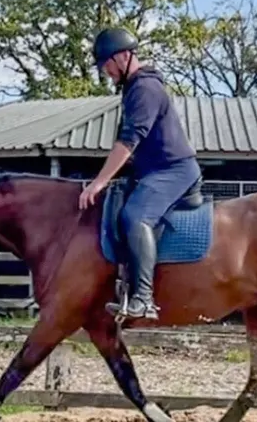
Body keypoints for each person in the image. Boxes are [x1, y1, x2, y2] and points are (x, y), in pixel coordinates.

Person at [78, 26, 202, 319]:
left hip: (174, 170)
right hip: (154, 171)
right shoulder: (133, 88)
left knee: (136, 216)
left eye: (106, 64)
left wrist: (98, 182)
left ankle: (144, 298)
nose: (105, 71)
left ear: (123, 57)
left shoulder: (145, 89)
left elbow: (128, 141)